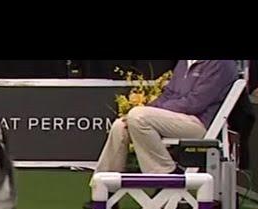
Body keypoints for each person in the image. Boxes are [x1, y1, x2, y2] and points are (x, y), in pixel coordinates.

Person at [91, 60, 238, 178]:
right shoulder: (184, 62)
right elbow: (168, 94)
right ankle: (105, 187)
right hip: (173, 119)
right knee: (120, 125)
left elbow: (195, 103)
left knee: (138, 117)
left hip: (200, 124)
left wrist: (151, 111)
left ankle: (166, 174)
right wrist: (146, 109)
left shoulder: (221, 64)